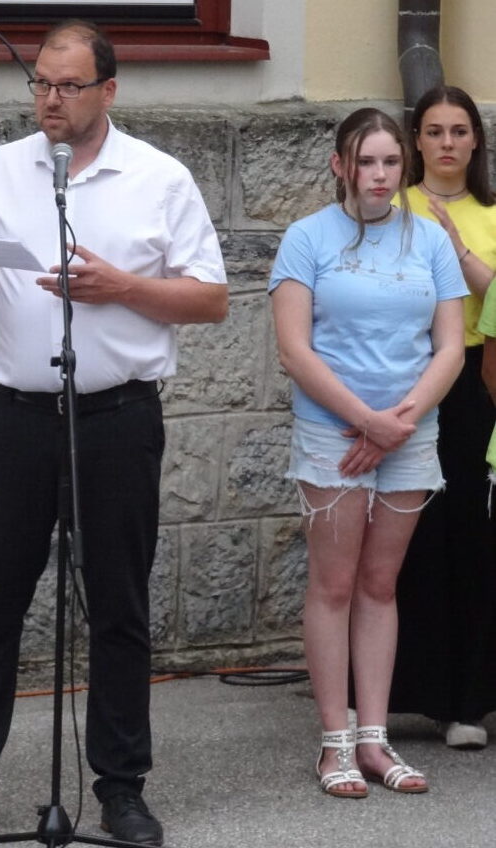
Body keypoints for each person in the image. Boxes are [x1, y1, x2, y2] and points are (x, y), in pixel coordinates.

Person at [0, 19, 227, 846]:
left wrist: (122, 288)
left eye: (69, 85)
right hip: (16, 418)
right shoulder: (1, 167)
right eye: (42, 84)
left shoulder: (159, 177)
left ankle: (121, 788)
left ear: (107, 91)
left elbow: (210, 298)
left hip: (117, 418)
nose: (51, 99)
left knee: (118, 607)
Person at [269, 107, 466, 798]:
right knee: (334, 584)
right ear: (340, 166)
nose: (379, 175)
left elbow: (449, 346)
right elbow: (294, 350)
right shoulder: (307, 237)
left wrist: (398, 423)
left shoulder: (430, 238)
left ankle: (375, 740)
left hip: (409, 433)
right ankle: (336, 742)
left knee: (381, 585)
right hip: (334, 434)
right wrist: (364, 422)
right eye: (366, 162)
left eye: (390, 162)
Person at [388, 86, 496, 750]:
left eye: (459, 130)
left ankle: (468, 703)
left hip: (476, 384)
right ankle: (405, 695)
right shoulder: (391, 203)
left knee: (471, 536)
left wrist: (455, 247)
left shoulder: (492, 213)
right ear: (416, 141)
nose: (447, 143)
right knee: (407, 537)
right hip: (401, 375)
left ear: (476, 140)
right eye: (434, 131)